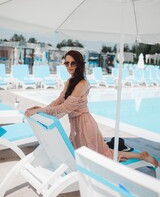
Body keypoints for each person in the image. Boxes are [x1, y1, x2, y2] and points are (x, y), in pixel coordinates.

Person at [25, 50, 158, 167]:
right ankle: (140, 156)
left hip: (85, 124)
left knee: (103, 155)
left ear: (79, 64)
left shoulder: (82, 84)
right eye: (67, 63)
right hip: (76, 125)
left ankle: (141, 156)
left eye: (73, 63)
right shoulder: (70, 82)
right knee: (87, 153)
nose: (69, 66)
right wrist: (42, 108)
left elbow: (64, 108)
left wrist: (41, 111)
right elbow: (59, 101)